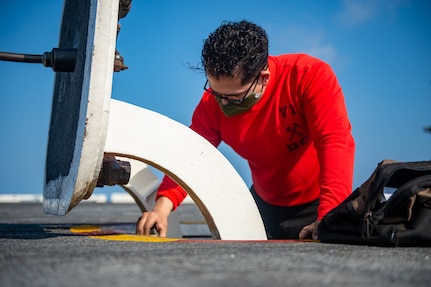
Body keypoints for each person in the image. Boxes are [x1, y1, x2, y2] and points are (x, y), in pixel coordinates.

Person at [136, 20, 355, 240]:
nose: (223, 103)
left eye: (234, 98)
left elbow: (334, 143)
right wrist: (161, 209)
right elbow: (192, 156)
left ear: (263, 78)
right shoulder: (212, 104)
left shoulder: (308, 76)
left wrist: (328, 217)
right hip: (261, 208)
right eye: (216, 93)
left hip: (318, 205)